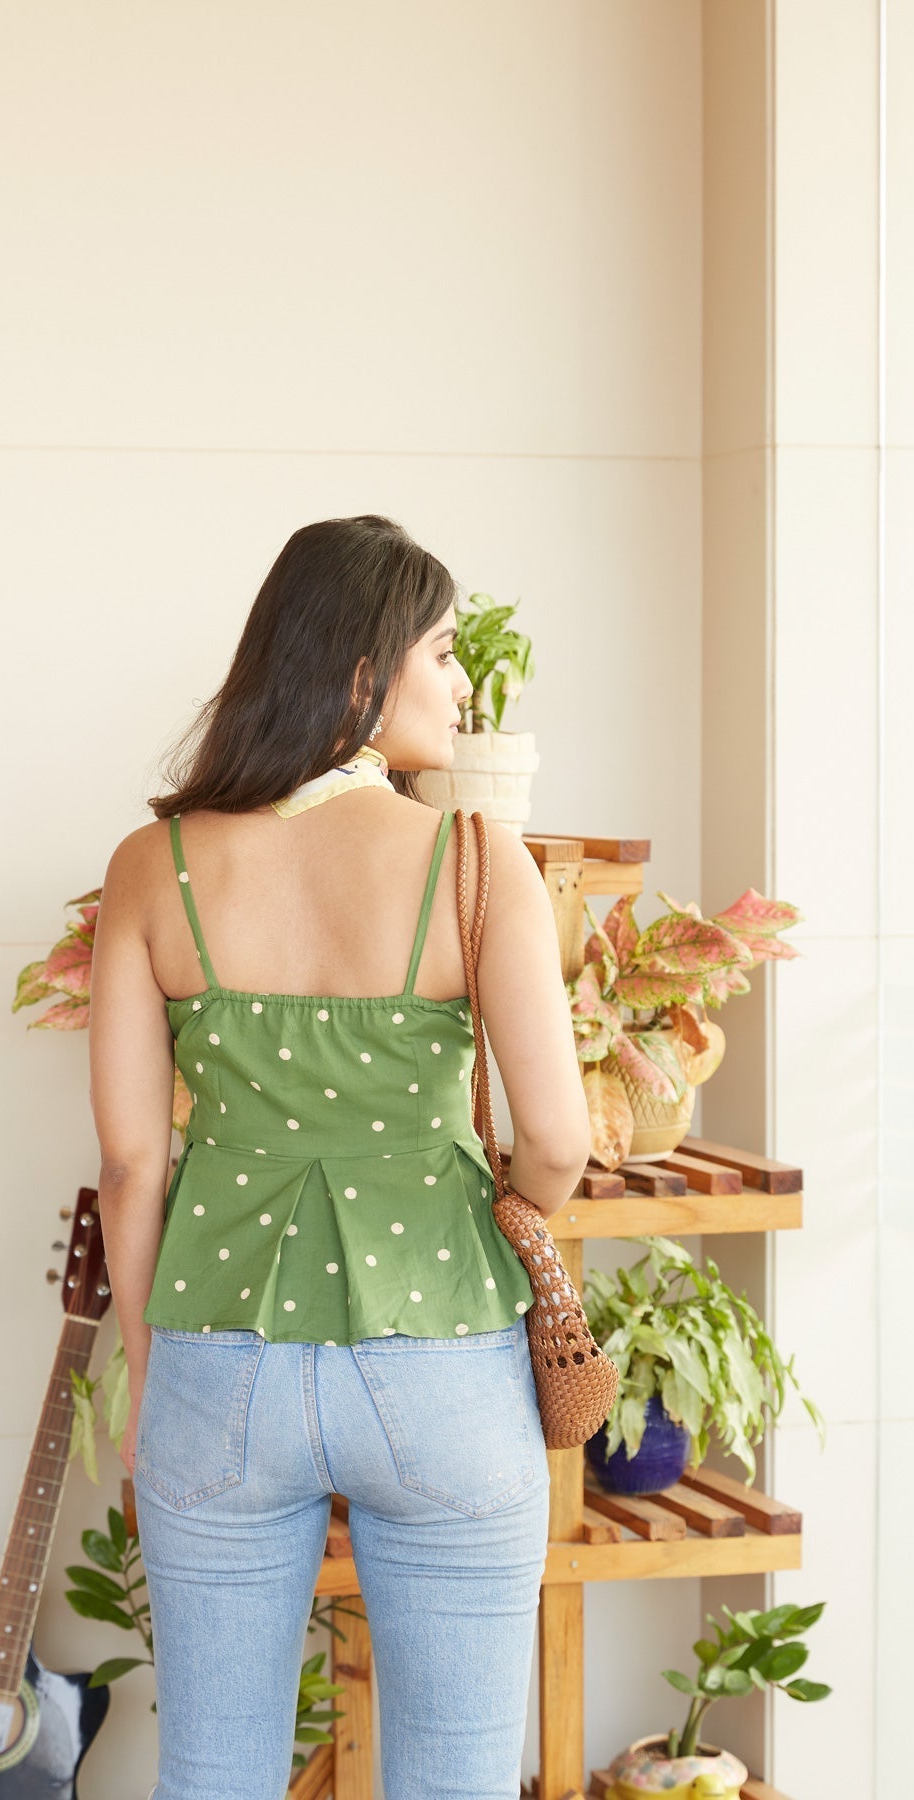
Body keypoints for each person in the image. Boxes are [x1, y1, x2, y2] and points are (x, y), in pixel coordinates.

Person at [88, 514, 591, 1800]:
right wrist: (510, 1211)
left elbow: (134, 1163)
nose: (462, 685)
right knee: (458, 1776)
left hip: (218, 1363)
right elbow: (557, 1139)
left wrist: (150, 1367)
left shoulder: (152, 867)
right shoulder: (479, 861)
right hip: (444, 1357)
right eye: (443, 651)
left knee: (213, 1770)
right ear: (365, 673)